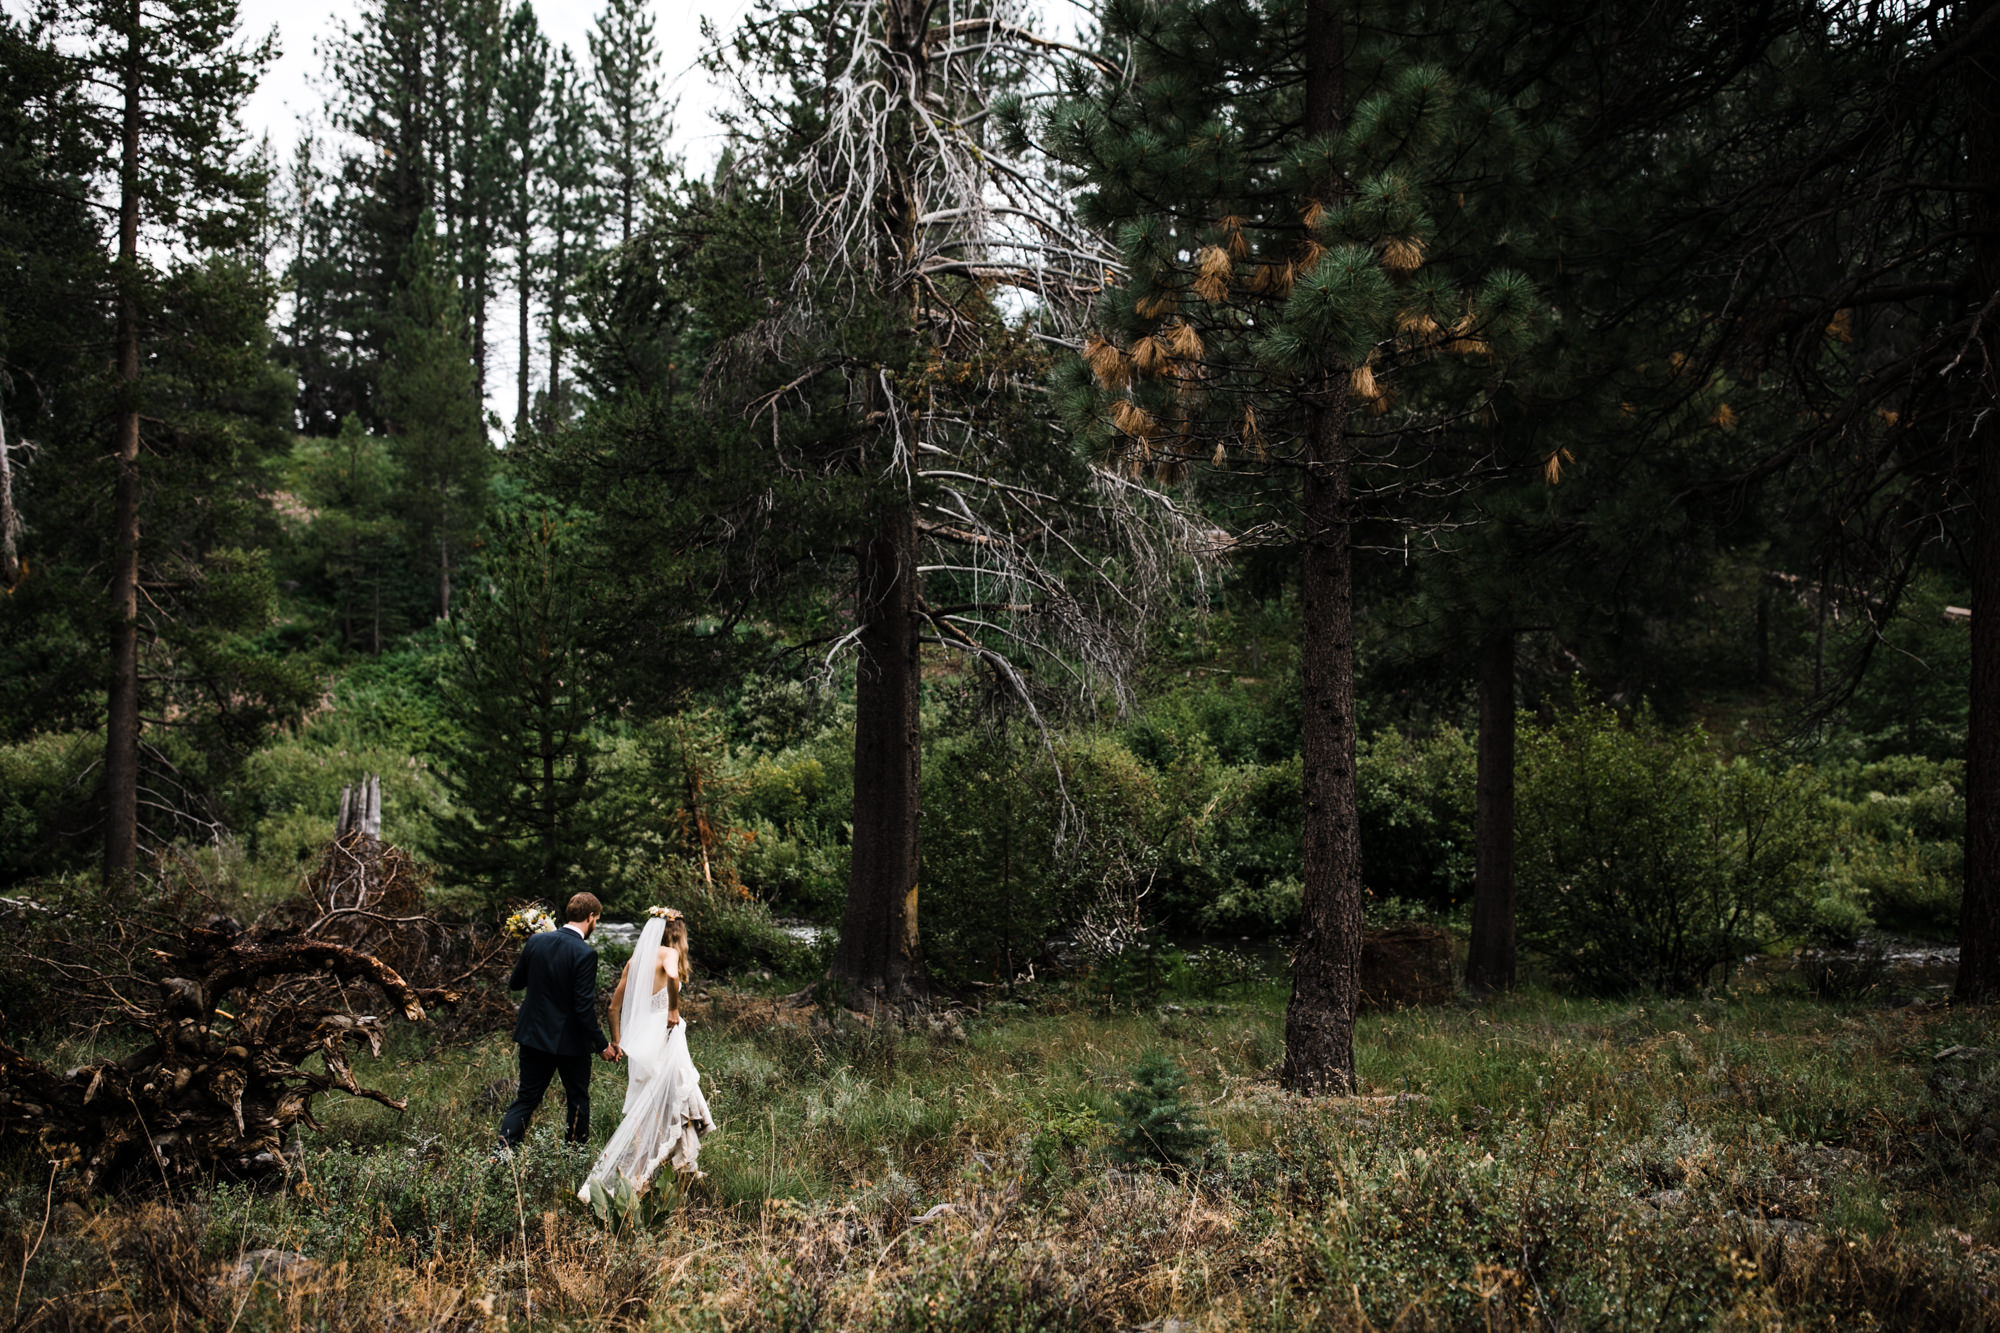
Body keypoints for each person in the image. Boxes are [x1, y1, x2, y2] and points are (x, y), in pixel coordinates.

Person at [578, 907, 713, 1203]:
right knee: (676, 1101)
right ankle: (666, 1172)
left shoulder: (634, 961)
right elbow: (674, 974)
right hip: (664, 1038)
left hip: (640, 1045)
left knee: (645, 1110)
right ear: (677, 935)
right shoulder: (669, 954)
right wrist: (674, 1009)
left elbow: (613, 1008)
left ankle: (642, 1178)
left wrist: (617, 1043)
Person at [496, 892, 618, 1158]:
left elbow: (515, 983)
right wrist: (602, 1045)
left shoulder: (535, 942)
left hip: (534, 1037)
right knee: (577, 1100)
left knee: (526, 1100)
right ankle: (573, 1159)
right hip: (570, 1044)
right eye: (596, 918)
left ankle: (501, 1156)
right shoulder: (585, 953)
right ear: (591, 917)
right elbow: (583, 1008)